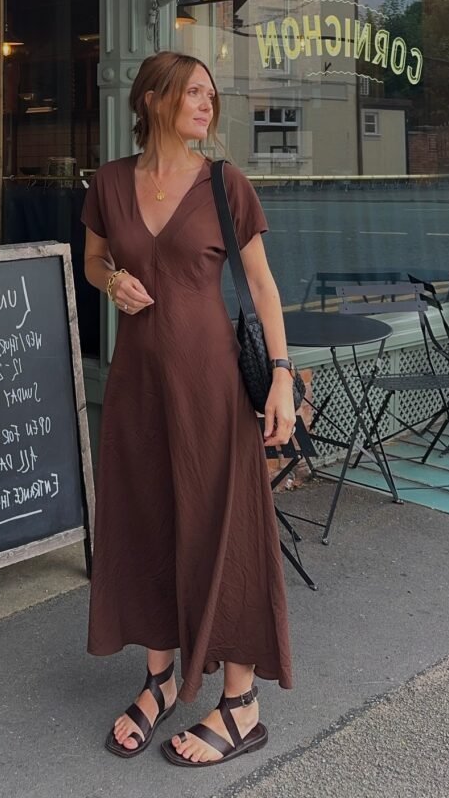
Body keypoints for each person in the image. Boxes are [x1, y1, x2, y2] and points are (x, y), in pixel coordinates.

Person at [81, 50, 294, 768]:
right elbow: (94, 260)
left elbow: (261, 285)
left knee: (224, 531)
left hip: (212, 388)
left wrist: (282, 377)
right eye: (193, 92)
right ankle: (161, 679)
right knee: (147, 523)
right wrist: (112, 281)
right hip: (138, 385)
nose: (207, 103)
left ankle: (240, 703)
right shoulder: (111, 182)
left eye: (211, 94)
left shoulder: (225, 184)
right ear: (152, 99)